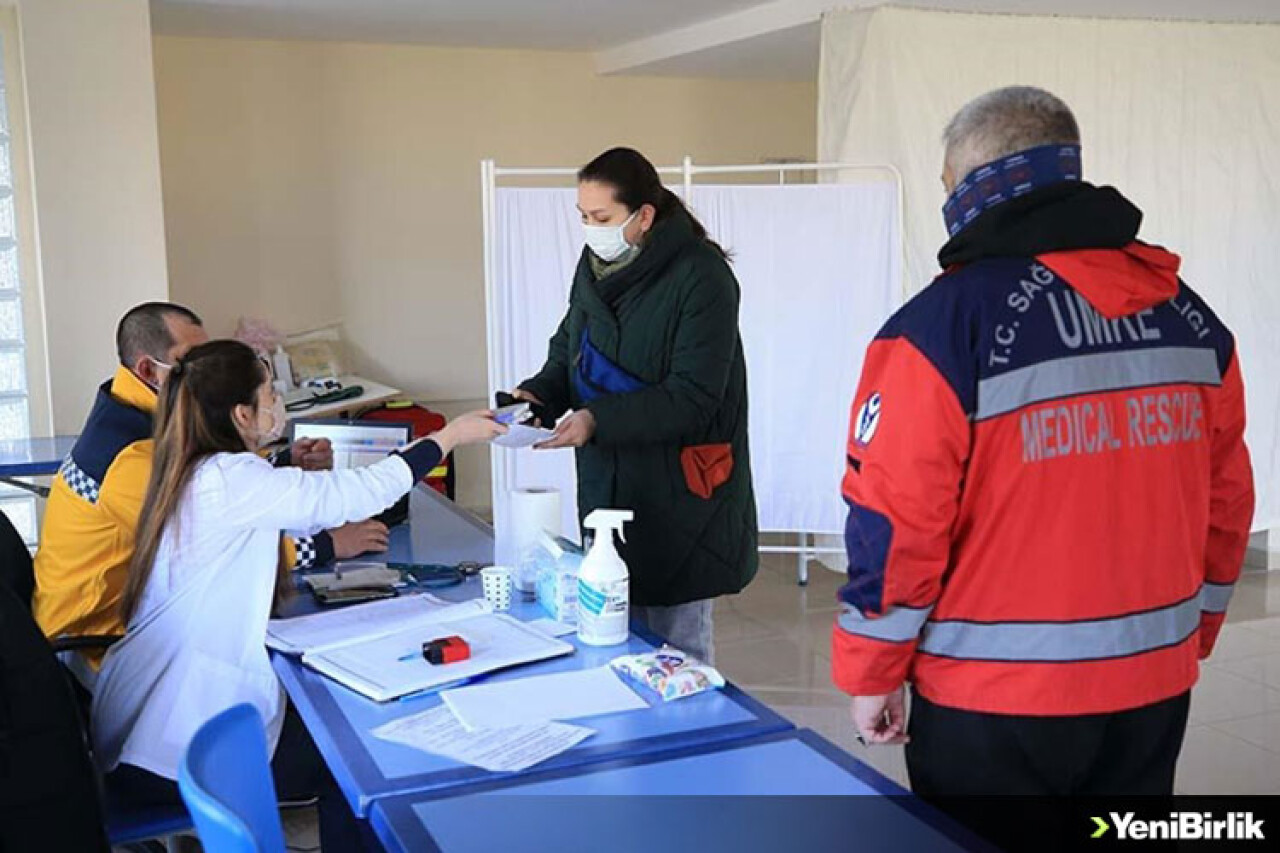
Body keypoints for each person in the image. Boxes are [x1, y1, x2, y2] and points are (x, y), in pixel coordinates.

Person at [831, 87, 1253, 825]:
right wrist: (1195, 634)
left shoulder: (942, 326)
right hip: (1151, 685)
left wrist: (873, 669)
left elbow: (896, 519)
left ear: (971, 183)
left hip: (992, 703)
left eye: (944, 185)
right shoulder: (1190, 316)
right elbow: (1227, 502)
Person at [90, 339, 504, 847]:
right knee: (354, 755)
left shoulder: (192, 467)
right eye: (271, 396)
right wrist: (448, 436)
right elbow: (355, 494)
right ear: (242, 414)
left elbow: (257, 505)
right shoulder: (229, 478)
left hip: (152, 723)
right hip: (178, 744)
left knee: (335, 724)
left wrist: (285, 460)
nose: (280, 406)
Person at [33, 302, 387, 668]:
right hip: (92, 641)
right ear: (147, 370)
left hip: (125, 615)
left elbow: (203, 481)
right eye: (188, 360)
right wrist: (329, 545)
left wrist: (284, 461)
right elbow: (207, 542)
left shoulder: (135, 412)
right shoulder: (131, 458)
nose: (201, 370)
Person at [511, 147, 758, 663]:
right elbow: (571, 347)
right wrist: (536, 397)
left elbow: (694, 395)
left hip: (680, 486)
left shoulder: (702, 276)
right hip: (609, 474)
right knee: (610, 634)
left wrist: (595, 419)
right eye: (582, 217)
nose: (589, 229)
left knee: (675, 649)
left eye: (601, 218)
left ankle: (686, 741)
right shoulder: (596, 265)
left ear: (645, 215)